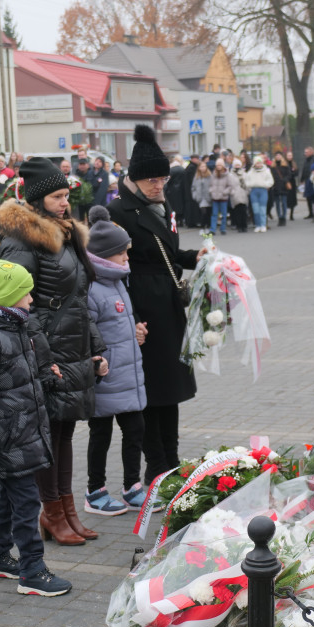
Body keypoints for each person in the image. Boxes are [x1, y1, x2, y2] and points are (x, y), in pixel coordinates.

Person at [0, 157, 107, 547]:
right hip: (47, 351)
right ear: (38, 199)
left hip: (73, 346)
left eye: (66, 195)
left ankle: (67, 511)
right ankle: (51, 512)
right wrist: (43, 357)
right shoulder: (22, 240)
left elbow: (79, 298)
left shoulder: (67, 234)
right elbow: (19, 306)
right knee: (48, 435)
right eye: (57, 196)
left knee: (64, 433)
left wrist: (97, 348)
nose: (65, 203)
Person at [0, 257, 73, 596]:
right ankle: (32, 571)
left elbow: (19, 378)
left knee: (9, 496)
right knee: (25, 503)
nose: (32, 300)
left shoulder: (15, 328)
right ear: (8, 297)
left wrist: (46, 378)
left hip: (20, 430)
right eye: (26, 294)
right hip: (8, 436)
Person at [107, 125, 208, 487]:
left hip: (168, 307)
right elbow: (111, 271)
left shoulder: (161, 205)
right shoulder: (117, 211)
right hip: (142, 311)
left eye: (162, 178)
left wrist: (198, 256)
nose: (158, 185)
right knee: (150, 394)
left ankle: (172, 458)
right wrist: (130, 317)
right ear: (134, 179)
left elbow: (168, 254)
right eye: (151, 179)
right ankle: (156, 466)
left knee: (171, 390)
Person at [83, 205, 153, 516]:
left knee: (135, 429)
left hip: (126, 375)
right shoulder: (92, 289)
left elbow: (121, 321)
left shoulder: (118, 282)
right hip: (105, 376)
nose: (127, 258)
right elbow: (85, 330)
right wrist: (95, 358)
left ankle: (132, 487)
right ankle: (95, 491)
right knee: (101, 434)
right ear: (105, 255)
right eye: (122, 253)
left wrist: (136, 329)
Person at [245, 156, 273, 233]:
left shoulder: (266, 171)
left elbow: (271, 181)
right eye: (257, 163)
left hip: (263, 191)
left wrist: (265, 185)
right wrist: (251, 184)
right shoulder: (250, 172)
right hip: (254, 191)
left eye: (260, 163)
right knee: (255, 209)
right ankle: (258, 225)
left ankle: (263, 225)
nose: (259, 164)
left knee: (263, 209)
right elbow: (246, 181)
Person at [208, 159, 233, 235]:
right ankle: (213, 229)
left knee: (224, 214)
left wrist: (224, 192)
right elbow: (210, 185)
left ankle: (223, 228)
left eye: (220, 165)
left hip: (223, 197)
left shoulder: (227, 175)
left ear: (222, 166)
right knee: (214, 214)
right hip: (215, 197)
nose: (218, 167)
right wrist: (211, 191)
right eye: (217, 165)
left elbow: (230, 186)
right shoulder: (213, 174)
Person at [271, 152, 294, 228]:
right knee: (277, 203)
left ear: (281, 157)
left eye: (279, 155)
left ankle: (283, 217)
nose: (278, 157)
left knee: (283, 202)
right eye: (276, 155)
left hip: (283, 186)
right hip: (276, 186)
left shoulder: (285, 165)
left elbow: (289, 174)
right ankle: (280, 217)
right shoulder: (273, 167)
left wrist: (285, 180)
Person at [228, 159, 249, 233]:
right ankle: (239, 226)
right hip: (235, 194)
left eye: (238, 165)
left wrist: (247, 191)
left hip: (243, 193)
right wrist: (232, 192)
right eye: (236, 165)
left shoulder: (244, 174)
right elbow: (229, 185)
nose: (237, 166)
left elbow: (248, 184)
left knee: (244, 211)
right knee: (237, 211)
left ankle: (244, 226)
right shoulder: (230, 175)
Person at [191, 161, 213, 229]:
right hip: (201, 197)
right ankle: (203, 224)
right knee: (203, 211)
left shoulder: (210, 176)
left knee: (208, 211)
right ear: (199, 168)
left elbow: (213, 185)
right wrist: (195, 195)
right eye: (201, 166)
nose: (203, 168)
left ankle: (208, 224)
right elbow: (193, 187)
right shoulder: (196, 177)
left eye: (204, 166)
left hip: (208, 196)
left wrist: (211, 193)